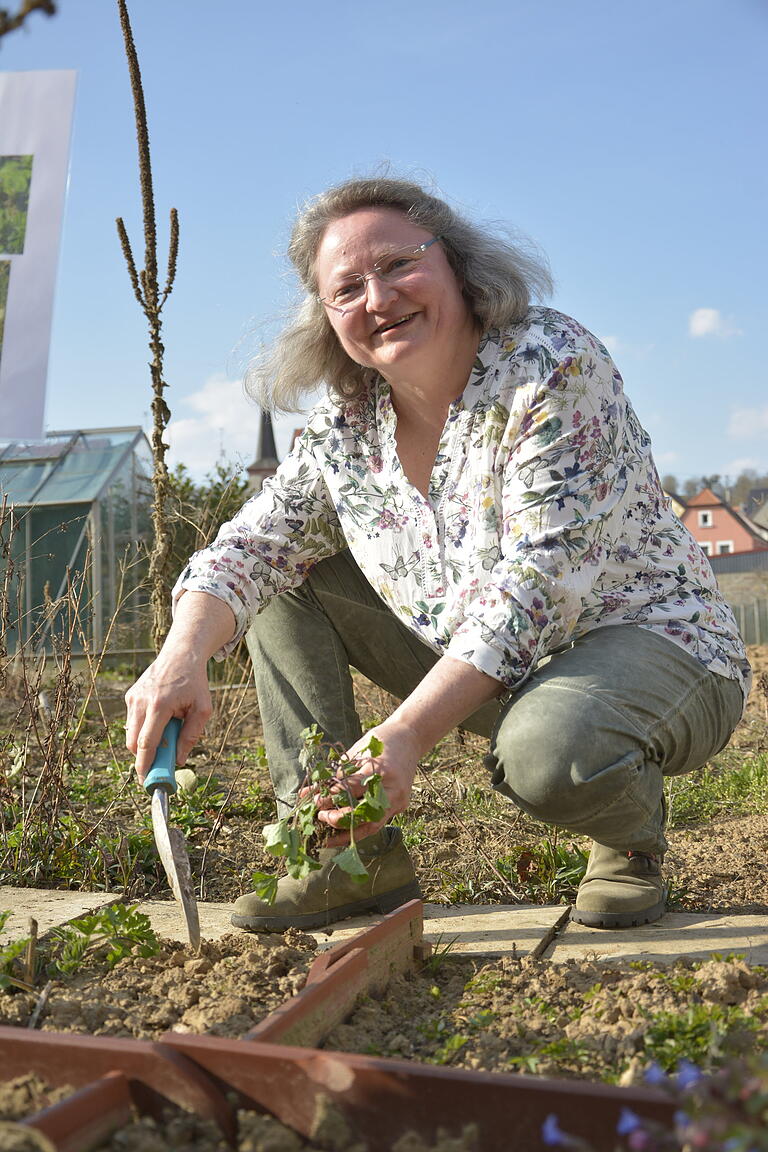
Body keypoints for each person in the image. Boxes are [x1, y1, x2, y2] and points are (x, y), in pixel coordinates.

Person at [126, 177, 751, 934]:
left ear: (457, 266)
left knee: (552, 753)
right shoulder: (346, 422)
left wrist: (407, 733)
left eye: (398, 265)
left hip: (653, 644)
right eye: (347, 287)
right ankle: (339, 851)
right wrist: (180, 655)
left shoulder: (550, 363)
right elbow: (253, 545)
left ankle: (626, 833)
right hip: (495, 662)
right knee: (282, 579)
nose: (378, 297)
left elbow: (541, 583)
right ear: (325, 318)